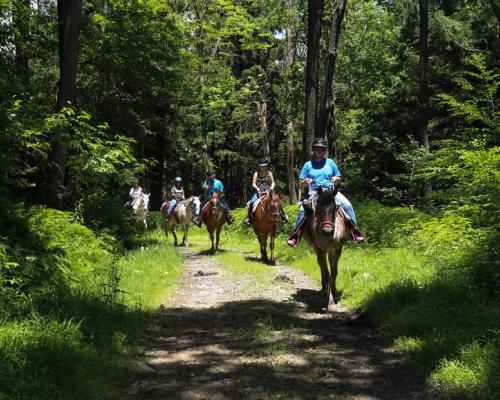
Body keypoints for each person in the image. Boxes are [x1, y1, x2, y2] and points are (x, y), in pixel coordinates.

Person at [287, 138, 364, 247]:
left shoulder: (330, 163)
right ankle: (296, 235)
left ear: (325, 151)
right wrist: (305, 181)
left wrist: (336, 179)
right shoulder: (308, 165)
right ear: (313, 150)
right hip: (314, 192)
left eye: (322, 149)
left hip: (330, 191)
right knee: (302, 210)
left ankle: (355, 232)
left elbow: (338, 177)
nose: (320, 151)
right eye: (317, 149)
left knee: (348, 205)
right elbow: (302, 183)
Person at [245, 157, 288, 226]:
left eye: (264, 166)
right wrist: (257, 188)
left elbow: (273, 182)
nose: (263, 167)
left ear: (266, 166)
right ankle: (249, 218)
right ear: (259, 166)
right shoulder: (256, 173)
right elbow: (253, 183)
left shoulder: (269, 173)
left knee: (277, 201)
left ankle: (283, 216)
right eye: (261, 166)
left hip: (269, 191)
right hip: (259, 192)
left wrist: (271, 188)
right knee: (252, 202)